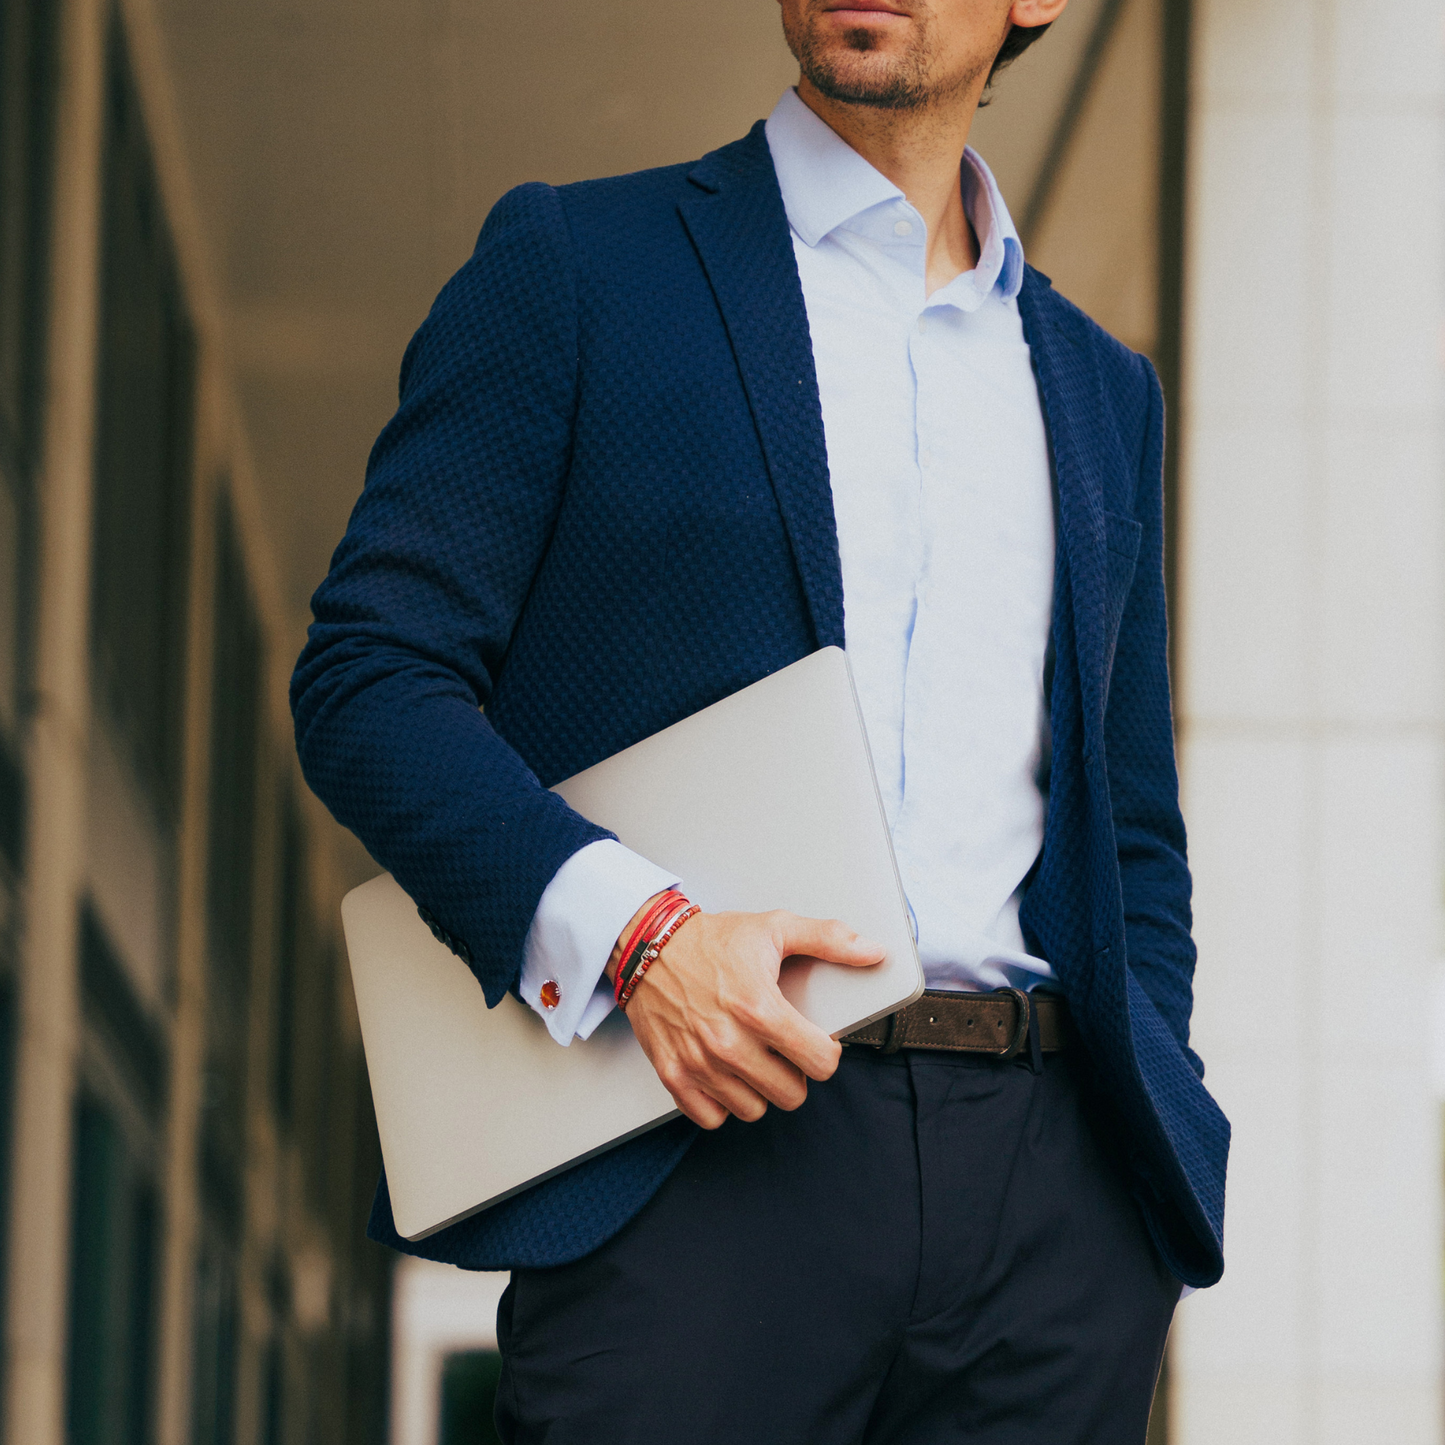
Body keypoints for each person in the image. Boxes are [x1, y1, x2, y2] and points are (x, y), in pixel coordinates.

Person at [292, 0, 1230, 1439]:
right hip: (692, 1160)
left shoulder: (1103, 390)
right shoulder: (576, 267)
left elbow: (1131, 820)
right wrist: (638, 940)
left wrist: (1129, 1165)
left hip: (1050, 1216)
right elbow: (369, 678)